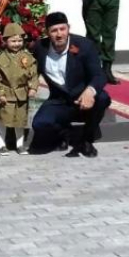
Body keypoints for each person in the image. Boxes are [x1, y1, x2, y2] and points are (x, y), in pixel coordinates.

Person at [30, 12, 111, 158]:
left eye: (62, 29)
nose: (59, 34)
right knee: (40, 124)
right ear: (47, 32)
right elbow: (27, 68)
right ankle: (63, 134)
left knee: (103, 98)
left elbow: (99, 75)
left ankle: (86, 140)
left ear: (68, 28)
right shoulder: (40, 48)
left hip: (83, 99)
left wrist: (90, 91)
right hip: (59, 101)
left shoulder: (84, 46)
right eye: (54, 30)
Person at [0, 23, 39, 156]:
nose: (17, 44)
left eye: (19, 40)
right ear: (5, 41)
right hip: (6, 95)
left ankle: (20, 145)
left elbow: (34, 75)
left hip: (22, 95)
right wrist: (0, 93)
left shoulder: (28, 58)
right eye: (13, 41)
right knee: (3, 120)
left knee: (20, 121)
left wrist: (33, 88)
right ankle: (2, 145)